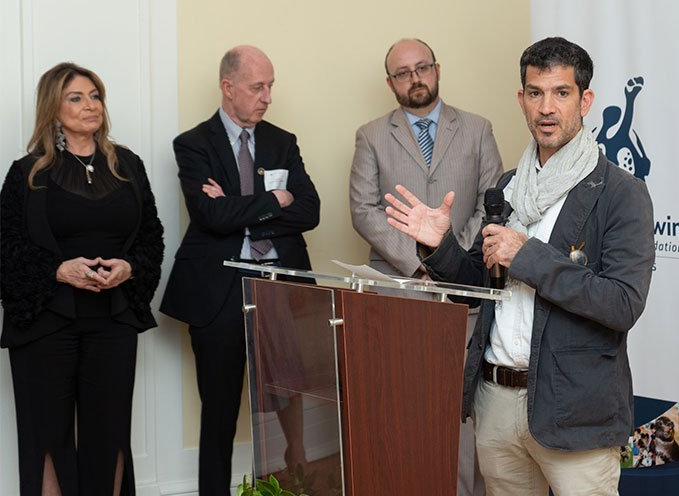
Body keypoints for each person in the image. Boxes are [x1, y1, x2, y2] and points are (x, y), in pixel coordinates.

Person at [384, 37, 655, 496]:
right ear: (521, 99)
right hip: (496, 401)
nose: (546, 107)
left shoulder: (620, 192)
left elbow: (622, 303)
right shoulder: (511, 185)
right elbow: (478, 283)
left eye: (561, 93)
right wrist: (439, 246)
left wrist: (526, 255)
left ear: (585, 100)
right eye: (535, 93)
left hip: (574, 410)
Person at [160, 45, 320, 496]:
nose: (267, 96)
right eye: (257, 87)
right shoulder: (193, 144)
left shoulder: (281, 141)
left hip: (281, 287)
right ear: (228, 88)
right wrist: (274, 201)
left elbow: (310, 210)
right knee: (220, 412)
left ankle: (298, 484)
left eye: (271, 86)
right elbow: (209, 217)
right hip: (220, 291)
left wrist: (236, 207)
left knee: (291, 401)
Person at [0, 62, 165, 496]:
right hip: (46, 320)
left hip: (112, 318)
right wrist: (58, 270)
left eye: (95, 96)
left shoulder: (128, 165)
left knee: (108, 433)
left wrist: (129, 268)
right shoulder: (27, 173)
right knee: (48, 436)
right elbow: (7, 249)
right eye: (76, 97)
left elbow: (152, 236)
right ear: (53, 109)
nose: (90, 105)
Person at [349, 37, 503, 496]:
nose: (415, 78)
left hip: (465, 292)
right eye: (403, 72)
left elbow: (491, 202)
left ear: (437, 69)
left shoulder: (477, 129)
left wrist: (449, 258)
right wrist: (418, 267)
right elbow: (363, 210)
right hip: (399, 290)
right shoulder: (371, 135)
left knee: (461, 411)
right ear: (390, 82)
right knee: (401, 409)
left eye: (422, 67)